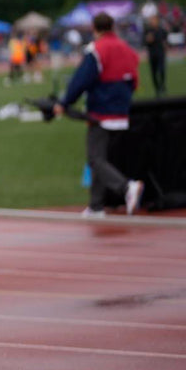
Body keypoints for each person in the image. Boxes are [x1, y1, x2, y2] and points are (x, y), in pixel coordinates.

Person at [55, 12, 143, 217]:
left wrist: (64, 102)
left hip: (101, 112)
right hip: (122, 111)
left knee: (95, 159)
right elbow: (134, 78)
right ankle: (96, 206)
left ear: (94, 29)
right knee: (99, 158)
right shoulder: (126, 48)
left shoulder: (97, 50)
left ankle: (126, 187)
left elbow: (81, 80)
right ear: (112, 27)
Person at [142, 14, 168, 97]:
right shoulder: (147, 31)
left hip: (160, 53)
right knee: (153, 72)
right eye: (152, 20)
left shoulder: (162, 30)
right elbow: (144, 42)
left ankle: (162, 85)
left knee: (162, 70)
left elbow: (165, 40)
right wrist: (148, 40)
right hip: (152, 54)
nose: (153, 22)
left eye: (155, 20)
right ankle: (157, 88)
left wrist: (165, 45)